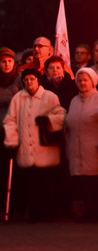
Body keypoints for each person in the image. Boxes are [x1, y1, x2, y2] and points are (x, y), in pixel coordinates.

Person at [3, 68, 66, 222]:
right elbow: (10, 120)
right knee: (31, 183)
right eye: (26, 80)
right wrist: (11, 141)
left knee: (46, 183)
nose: (29, 82)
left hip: (45, 148)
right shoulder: (18, 98)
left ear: (38, 80)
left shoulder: (49, 97)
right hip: (26, 147)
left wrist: (48, 120)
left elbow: (61, 115)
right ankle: (33, 213)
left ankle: (48, 213)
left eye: (32, 79)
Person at [65, 68, 98, 221]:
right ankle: (86, 210)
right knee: (82, 181)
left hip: (94, 147)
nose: (82, 83)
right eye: (80, 80)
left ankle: (97, 211)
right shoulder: (74, 101)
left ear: (93, 81)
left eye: (86, 80)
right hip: (76, 148)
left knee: (95, 181)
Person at [0, 47, 21, 215]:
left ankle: (14, 207)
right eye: (3, 61)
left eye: (9, 61)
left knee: (13, 170)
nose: (6, 64)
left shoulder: (20, 79)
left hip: (14, 128)